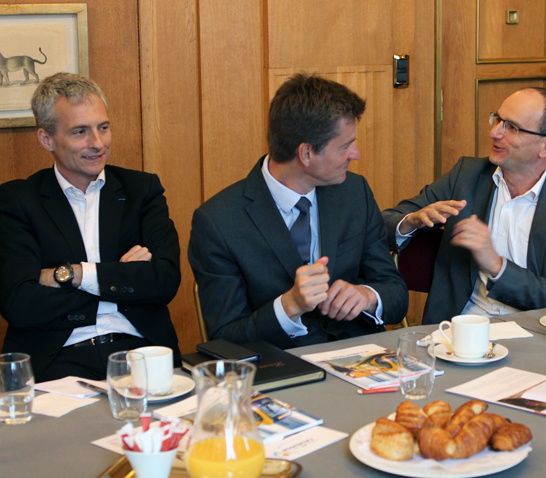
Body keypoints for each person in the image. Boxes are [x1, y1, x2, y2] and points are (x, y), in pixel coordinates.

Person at [188, 74, 408, 348]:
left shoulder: (355, 193)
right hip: (279, 369)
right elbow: (226, 340)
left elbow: (396, 293)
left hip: (363, 362)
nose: (356, 154)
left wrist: (367, 296)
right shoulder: (218, 222)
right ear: (306, 154)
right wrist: (289, 305)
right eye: (344, 146)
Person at [0, 73, 181, 381]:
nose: (97, 144)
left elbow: (164, 281)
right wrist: (121, 280)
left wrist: (75, 275)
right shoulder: (16, 201)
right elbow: (20, 304)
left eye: (103, 128)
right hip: (58, 357)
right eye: (80, 132)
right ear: (47, 139)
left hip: (141, 350)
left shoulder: (142, 190)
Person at [383, 88, 546, 323]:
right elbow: (384, 223)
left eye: (512, 127)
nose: (494, 132)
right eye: (498, 120)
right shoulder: (466, 176)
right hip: (459, 328)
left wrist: (497, 265)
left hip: (534, 333)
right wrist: (413, 221)